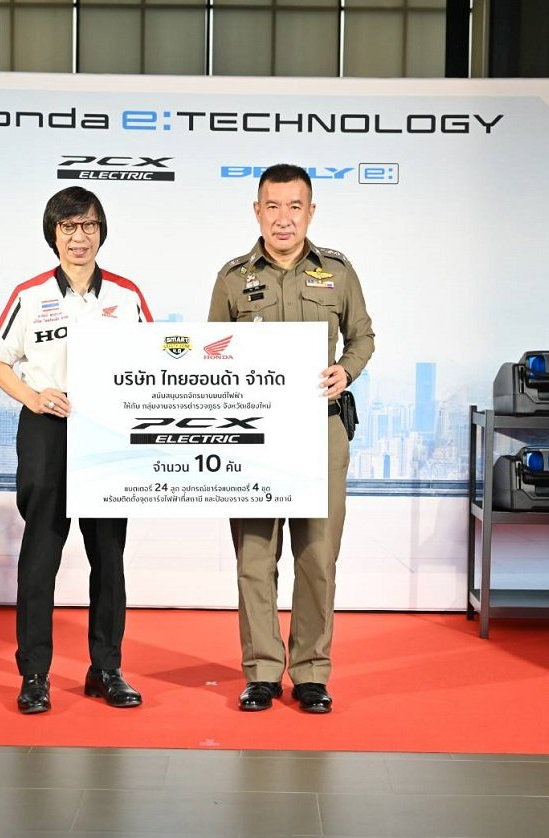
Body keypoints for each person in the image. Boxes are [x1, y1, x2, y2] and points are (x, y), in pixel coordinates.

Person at [207, 164, 375, 714]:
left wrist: (346, 371)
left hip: (320, 430)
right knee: (255, 559)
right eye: (273, 206)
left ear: (311, 211)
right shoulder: (232, 278)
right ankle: (260, 672)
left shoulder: (338, 272)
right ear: (257, 211)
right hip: (253, 437)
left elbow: (362, 337)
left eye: (295, 206)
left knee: (318, 558)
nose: (284, 218)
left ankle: (310, 674)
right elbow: (211, 353)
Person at [0, 186, 154, 714]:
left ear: (101, 232)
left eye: (89, 226)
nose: (79, 237)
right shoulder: (30, 294)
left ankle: (106, 669)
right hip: (47, 431)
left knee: (109, 558)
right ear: (53, 234)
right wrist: (33, 397)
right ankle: (34, 674)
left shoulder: (126, 295)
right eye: (68, 227)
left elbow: (153, 361)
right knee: (40, 559)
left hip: (107, 436)